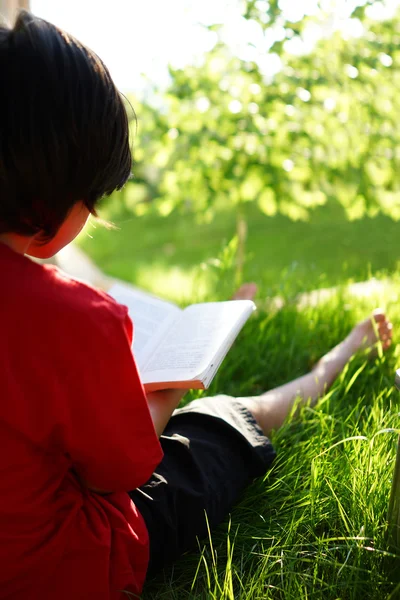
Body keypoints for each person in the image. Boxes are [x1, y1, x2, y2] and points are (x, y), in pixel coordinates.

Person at [0, 11, 393, 600]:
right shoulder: (70, 316)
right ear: (54, 200)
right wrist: (169, 390)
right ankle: (331, 366)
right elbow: (125, 471)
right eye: (94, 200)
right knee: (222, 421)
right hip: (62, 568)